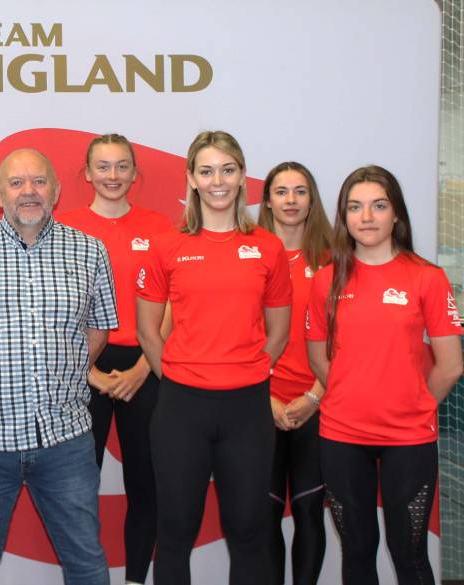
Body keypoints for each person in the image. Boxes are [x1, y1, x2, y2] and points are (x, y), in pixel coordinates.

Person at [0, 148, 118, 585]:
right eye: (16, 183)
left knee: (87, 559)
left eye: (38, 181)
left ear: (56, 189)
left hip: (65, 439)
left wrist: (60, 376)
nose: (28, 192)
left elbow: (99, 331)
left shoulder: (90, 252)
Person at [136, 130, 292, 585]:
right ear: (191, 178)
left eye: (227, 169)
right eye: (207, 171)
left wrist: (246, 372)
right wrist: (182, 377)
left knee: (249, 533)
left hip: (248, 409)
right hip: (181, 409)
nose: (217, 181)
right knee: (174, 533)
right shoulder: (167, 246)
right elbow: (148, 329)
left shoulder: (267, 247)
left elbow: (278, 332)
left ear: (242, 175)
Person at [306, 165, 463, 585]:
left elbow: (451, 366)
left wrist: (415, 405)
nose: (367, 217)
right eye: (355, 208)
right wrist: (350, 393)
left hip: (409, 440)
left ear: (396, 214)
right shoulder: (325, 281)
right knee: (356, 554)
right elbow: (320, 360)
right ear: (344, 217)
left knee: (409, 555)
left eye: (378, 205)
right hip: (341, 437)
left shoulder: (427, 278)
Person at [56, 133, 171, 585]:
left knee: (147, 487)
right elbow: (50, 310)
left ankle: (135, 580)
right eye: (102, 167)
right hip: (80, 366)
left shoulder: (161, 227)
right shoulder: (61, 228)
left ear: (135, 173)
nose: (112, 176)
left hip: (148, 365)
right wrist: (91, 375)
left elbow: (175, 305)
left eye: (122, 166)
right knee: (76, 491)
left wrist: (144, 367)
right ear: (86, 174)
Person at [256, 162, 332, 585]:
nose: (290, 200)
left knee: (307, 510)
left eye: (299, 192)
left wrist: (316, 396)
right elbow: (239, 335)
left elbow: (346, 337)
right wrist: (265, 397)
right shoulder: (249, 253)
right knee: (264, 512)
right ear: (267, 200)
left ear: (311, 200)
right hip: (260, 403)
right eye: (281, 192)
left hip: (317, 403)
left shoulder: (332, 257)